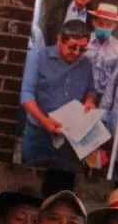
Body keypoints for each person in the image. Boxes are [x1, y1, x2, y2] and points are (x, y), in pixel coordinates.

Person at [20, 20, 97, 192]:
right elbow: (26, 94)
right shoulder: (38, 57)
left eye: (83, 49)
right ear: (59, 39)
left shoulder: (86, 64)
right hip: (38, 134)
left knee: (62, 188)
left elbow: (91, 90)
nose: (77, 53)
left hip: (70, 138)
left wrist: (90, 101)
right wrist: (44, 120)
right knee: (29, 185)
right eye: (72, 47)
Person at [85, 2, 118, 110]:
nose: (104, 27)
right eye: (100, 23)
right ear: (94, 22)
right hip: (81, 93)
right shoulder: (85, 41)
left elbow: (113, 81)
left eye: (108, 25)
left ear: (114, 25)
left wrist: (103, 108)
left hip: (103, 97)